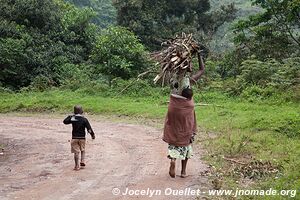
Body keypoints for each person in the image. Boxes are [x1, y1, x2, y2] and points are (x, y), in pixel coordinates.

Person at [163, 53, 205, 178]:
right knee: (186, 139)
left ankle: (173, 160)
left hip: (173, 110)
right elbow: (202, 70)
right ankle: (183, 171)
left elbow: (169, 67)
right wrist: (199, 55)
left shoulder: (172, 79)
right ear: (186, 67)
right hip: (185, 112)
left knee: (175, 136)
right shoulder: (188, 81)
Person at [63, 105, 95, 171]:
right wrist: (92, 135)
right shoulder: (84, 119)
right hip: (82, 138)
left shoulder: (73, 119)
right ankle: (82, 161)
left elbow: (65, 121)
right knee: (83, 150)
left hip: (74, 138)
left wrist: (70, 116)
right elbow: (89, 129)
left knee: (76, 152)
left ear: (74, 112)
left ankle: (77, 166)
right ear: (82, 111)